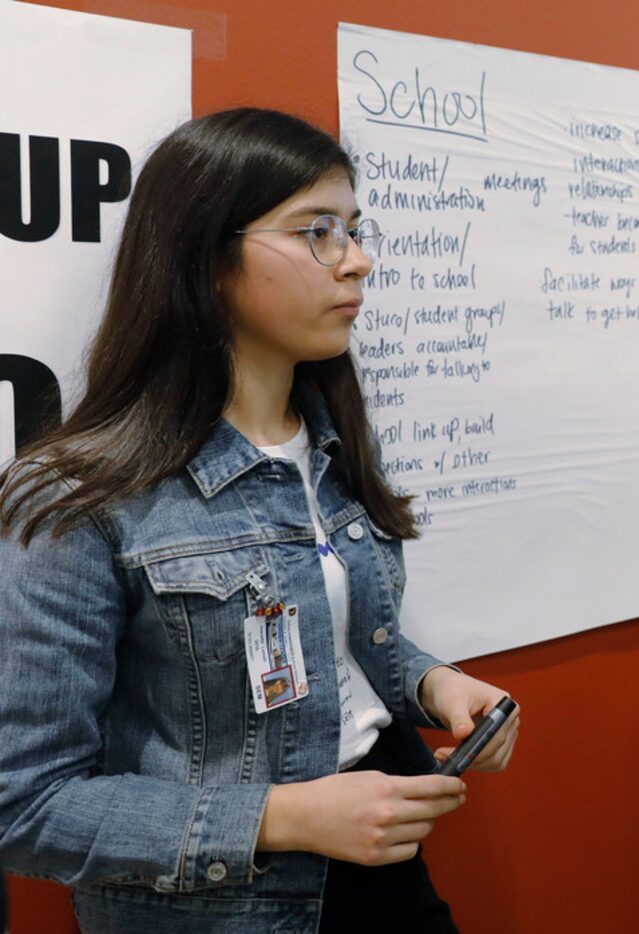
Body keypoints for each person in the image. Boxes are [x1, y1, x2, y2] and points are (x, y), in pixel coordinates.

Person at [0, 109, 519, 933]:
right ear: (209, 259)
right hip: (227, 905)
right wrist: (284, 818)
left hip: (386, 864)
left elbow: (333, 637)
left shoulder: (330, 440)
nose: (358, 260)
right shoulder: (75, 498)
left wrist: (431, 684)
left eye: (353, 228)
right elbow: (25, 806)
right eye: (318, 232)